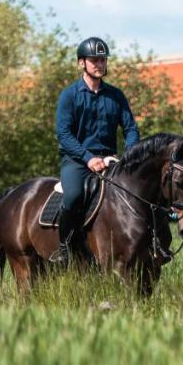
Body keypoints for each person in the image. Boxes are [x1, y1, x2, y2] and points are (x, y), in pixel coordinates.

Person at [51, 36, 140, 265]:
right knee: (73, 197)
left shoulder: (116, 96)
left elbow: (130, 128)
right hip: (77, 161)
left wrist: (128, 156)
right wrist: (88, 158)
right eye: (94, 60)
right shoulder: (69, 95)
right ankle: (65, 247)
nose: (100, 65)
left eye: (103, 60)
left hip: (111, 159)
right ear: (82, 63)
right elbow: (64, 135)